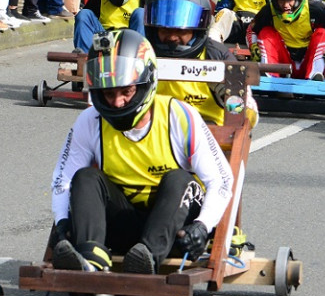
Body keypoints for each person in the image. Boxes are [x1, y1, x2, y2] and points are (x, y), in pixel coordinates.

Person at [49, 28, 233, 274]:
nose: (117, 102)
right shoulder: (90, 120)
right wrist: (62, 222)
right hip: (125, 224)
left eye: (126, 91)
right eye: (109, 93)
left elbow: (221, 180)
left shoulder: (179, 115)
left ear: (145, 83)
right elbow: (64, 178)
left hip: (175, 229)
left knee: (179, 179)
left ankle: (146, 260)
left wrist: (203, 225)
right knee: (86, 177)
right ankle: (91, 258)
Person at [144, 0, 258, 127]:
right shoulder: (143, 54)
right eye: (165, 30)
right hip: (158, 130)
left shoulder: (216, 55)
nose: (172, 37)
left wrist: (230, 96)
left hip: (211, 133)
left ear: (197, 30)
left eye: (180, 31)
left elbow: (251, 115)